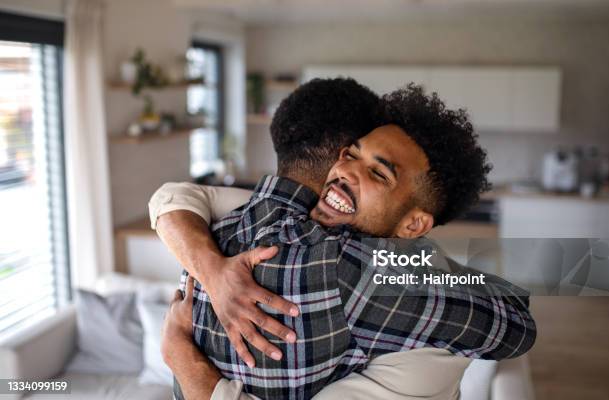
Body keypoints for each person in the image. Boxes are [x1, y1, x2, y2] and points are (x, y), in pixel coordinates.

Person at [150, 81, 536, 400]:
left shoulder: (229, 220)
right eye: (351, 154)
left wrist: (181, 347)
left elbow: (170, 197)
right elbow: (516, 324)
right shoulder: (356, 271)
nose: (346, 168)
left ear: (414, 223)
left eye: (378, 173)